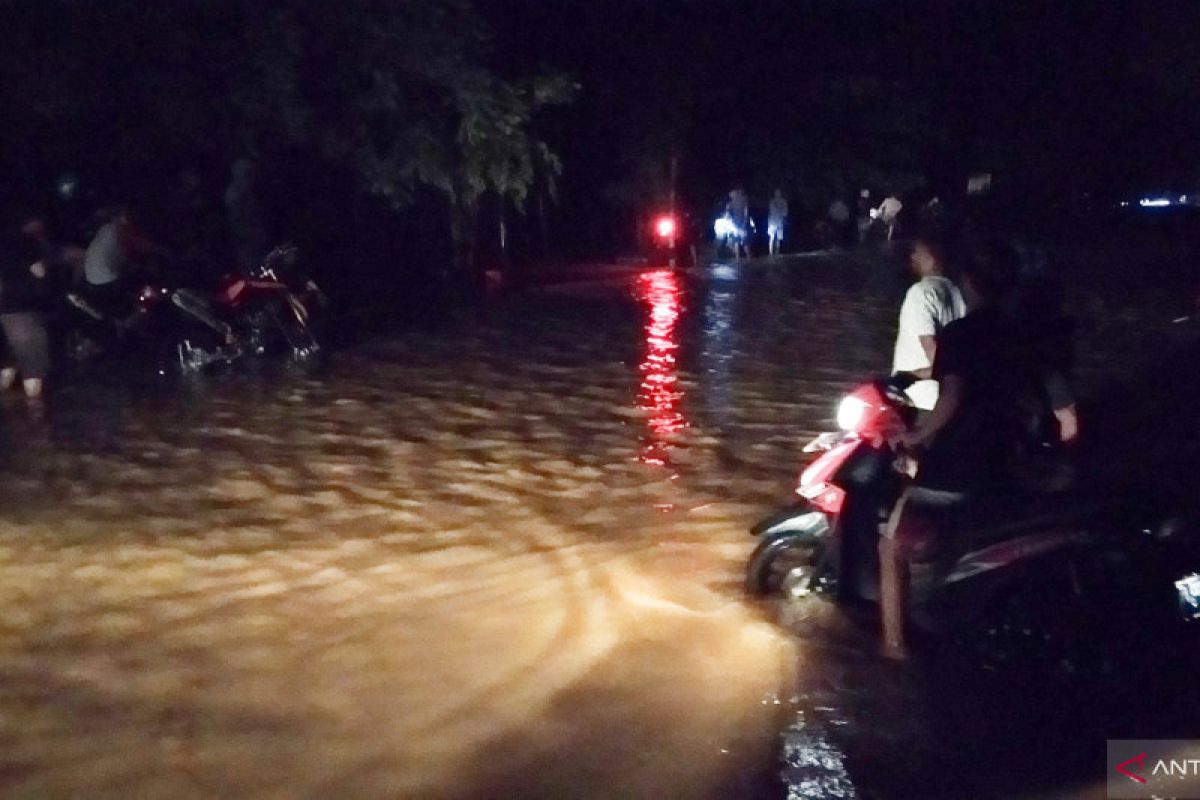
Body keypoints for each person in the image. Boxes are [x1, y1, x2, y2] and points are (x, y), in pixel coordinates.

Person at [878, 238, 1063, 660]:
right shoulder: (1019, 334)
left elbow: (951, 397)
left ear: (970, 282)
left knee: (891, 547)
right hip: (1006, 456)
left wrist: (915, 437)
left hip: (962, 456)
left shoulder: (962, 334)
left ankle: (893, 649)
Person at [891, 236, 966, 411]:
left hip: (917, 403)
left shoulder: (921, 293)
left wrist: (908, 376)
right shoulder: (958, 293)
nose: (912, 257)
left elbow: (938, 359)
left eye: (917, 251)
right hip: (947, 404)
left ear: (932, 256)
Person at [0, 222, 52, 399]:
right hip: (20, 310)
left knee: (6, 363)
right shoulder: (25, 243)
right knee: (33, 371)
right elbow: (40, 273)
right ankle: (36, 420)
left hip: (5, 312)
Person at [727, 188, 752, 259]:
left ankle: (739, 257)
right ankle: (747, 257)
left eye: (731, 194)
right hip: (740, 223)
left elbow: (728, 213)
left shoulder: (734, 202)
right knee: (742, 241)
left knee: (738, 241)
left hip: (739, 223)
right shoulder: (743, 200)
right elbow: (746, 213)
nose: (731, 196)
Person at [767, 189, 788, 256]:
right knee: (771, 237)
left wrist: (782, 215)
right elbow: (772, 210)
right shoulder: (772, 201)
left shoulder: (784, 201)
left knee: (778, 238)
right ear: (774, 193)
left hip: (780, 221)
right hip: (772, 221)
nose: (778, 194)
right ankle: (770, 252)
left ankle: (777, 252)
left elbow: (785, 212)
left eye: (779, 193)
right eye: (776, 192)